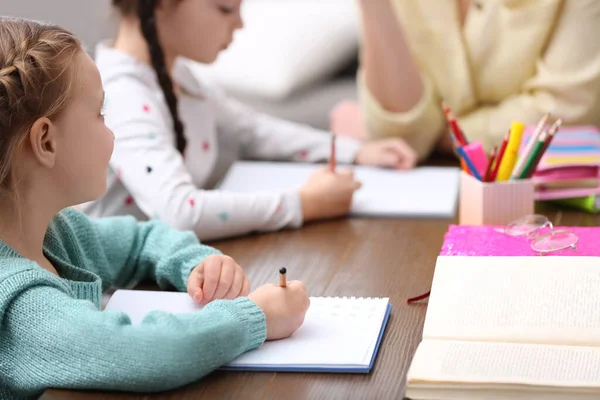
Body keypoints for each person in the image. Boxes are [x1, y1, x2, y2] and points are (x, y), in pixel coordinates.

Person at [0, 17, 309, 399]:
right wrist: (257, 316)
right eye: (100, 113)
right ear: (45, 142)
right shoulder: (19, 305)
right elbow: (150, 352)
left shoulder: (57, 234)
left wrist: (195, 263)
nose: (112, 132)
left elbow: (142, 238)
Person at [81, 0, 419, 241]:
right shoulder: (123, 95)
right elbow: (180, 212)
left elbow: (254, 130)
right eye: (226, 8)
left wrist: (354, 151)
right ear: (161, 5)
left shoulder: (178, 75)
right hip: (127, 291)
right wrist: (304, 203)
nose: (240, 23)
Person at [330, 0, 600, 160]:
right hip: (431, 193)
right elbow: (401, 136)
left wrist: (433, 135)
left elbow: (567, 112)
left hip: (540, 190)